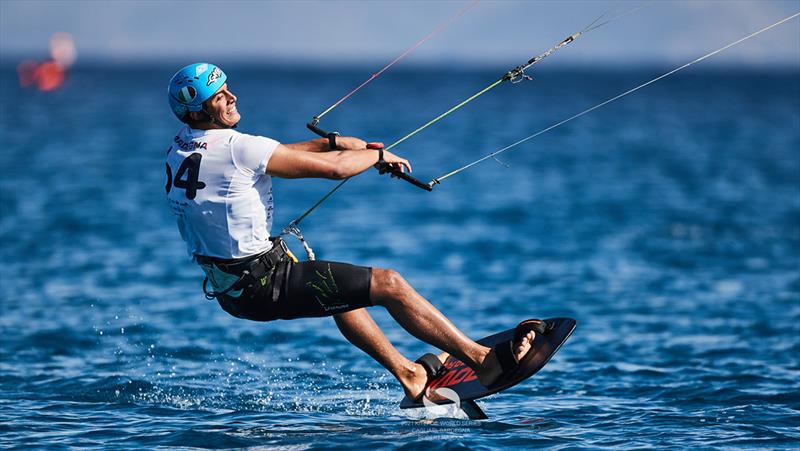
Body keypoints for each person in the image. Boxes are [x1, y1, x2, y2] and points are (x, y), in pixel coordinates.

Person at [165, 63, 540, 401]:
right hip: (265, 283)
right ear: (199, 110)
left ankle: (409, 375)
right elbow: (335, 170)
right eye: (220, 97)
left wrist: (335, 143)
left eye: (229, 88)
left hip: (232, 291)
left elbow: (278, 153)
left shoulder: (182, 146)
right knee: (388, 283)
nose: (232, 97)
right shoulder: (238, 147)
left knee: (343, 289)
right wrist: (377, 155)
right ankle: (485, 360)